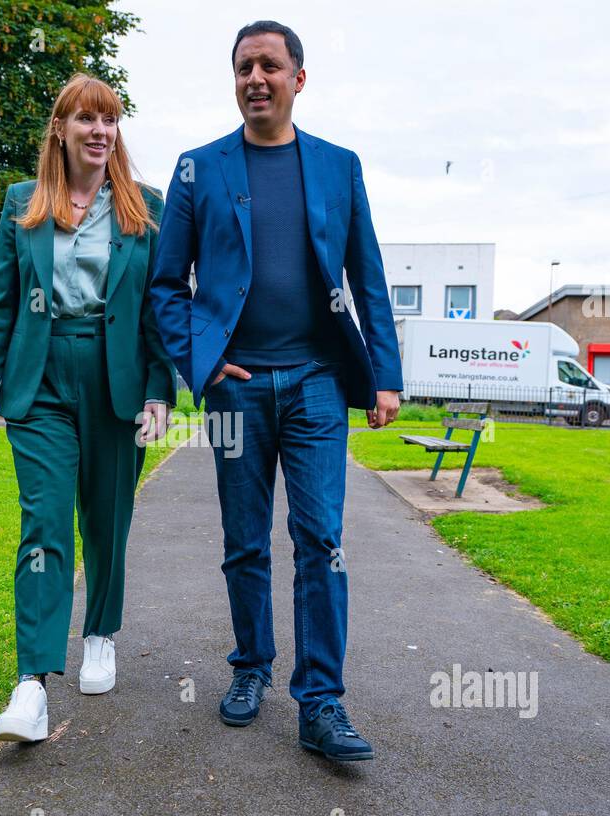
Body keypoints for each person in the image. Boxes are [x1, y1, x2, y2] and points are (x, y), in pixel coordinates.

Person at [150, 21, 404, 762]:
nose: (255, 78)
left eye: (269, 65)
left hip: (318, 383)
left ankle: (321, 702)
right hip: (236, 391)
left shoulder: (337, 166)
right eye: (243, 67)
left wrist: (385, 374)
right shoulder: (198, 169)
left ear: (299, 77)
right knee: (244, 540)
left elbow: (367, 275)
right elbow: (166, 286)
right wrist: (203, 363)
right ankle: (250, 666)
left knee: (321, 540)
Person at [0, 73, 175, 743]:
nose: (99, 131)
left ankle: (101, 633)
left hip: (117, 380)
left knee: (107, 519)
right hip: (40, 381)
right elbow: (1, 301)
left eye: (109, 120)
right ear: (60, 129)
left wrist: (159, 390)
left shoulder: (146, 205)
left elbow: (158, 308)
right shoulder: (22, 202)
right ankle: (31, 683)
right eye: (86, 118)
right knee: (45, 522)